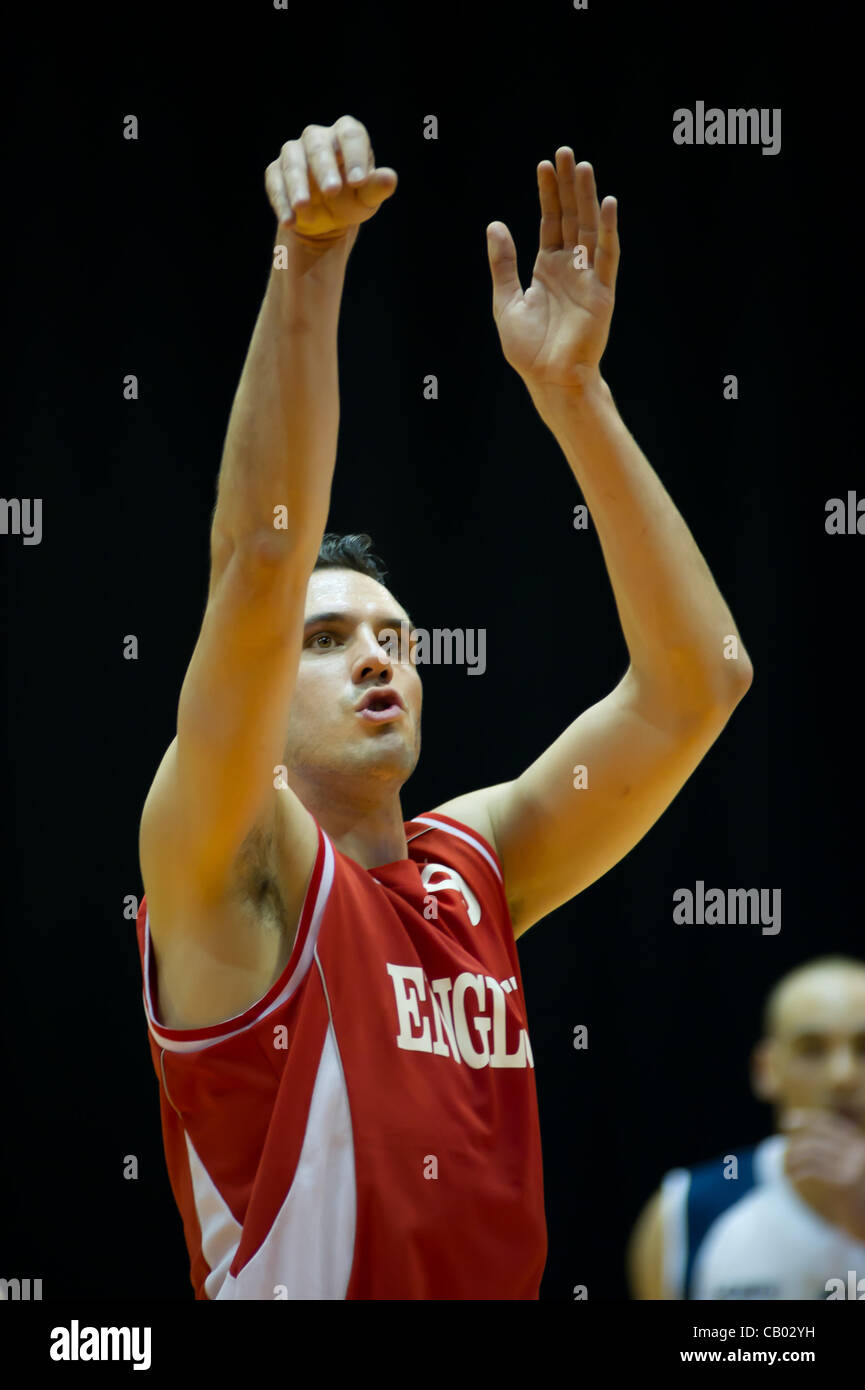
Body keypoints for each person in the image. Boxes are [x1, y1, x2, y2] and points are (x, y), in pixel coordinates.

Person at [135, 114, 752, 1299]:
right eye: (326, 641)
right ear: (261, 685)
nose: (376, 659)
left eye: (394, 638)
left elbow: (699, 681)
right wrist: (306, 265)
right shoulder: (226, 865)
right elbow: (257, 566)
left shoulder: (474, 869)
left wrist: (573, 393)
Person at [627, 956, 865, 1299]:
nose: (842, 1076)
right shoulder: (686, 1210)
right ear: (766, 1069)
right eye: (811, 1050)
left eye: (864, 1048)